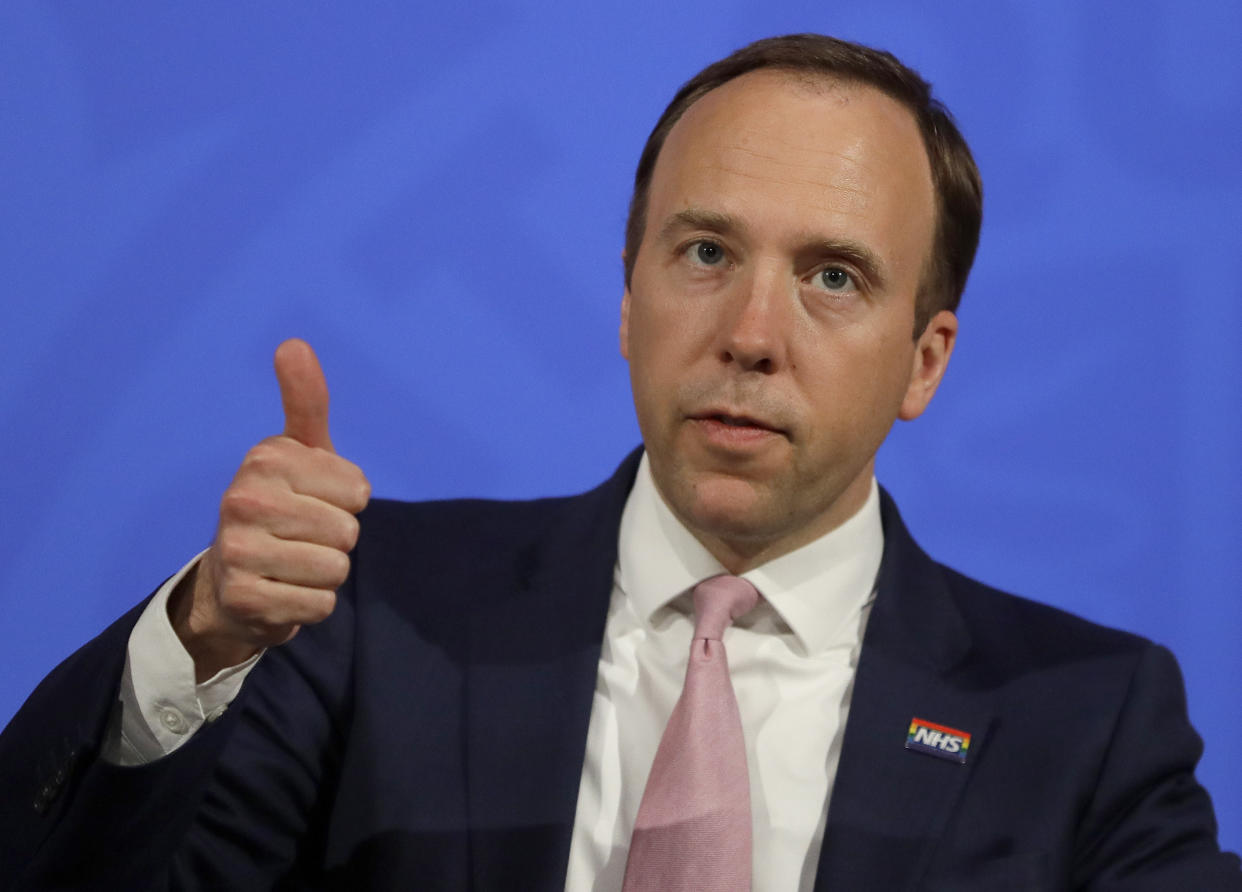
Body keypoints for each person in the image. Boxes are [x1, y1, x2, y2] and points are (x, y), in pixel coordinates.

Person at [1, 33, 1238, 891]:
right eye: (704, 254)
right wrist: (203, 636)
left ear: (925, 360)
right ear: (628, 296)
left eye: (832, 277)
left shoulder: (1086, 717)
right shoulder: (372, 612)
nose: (751, 335)